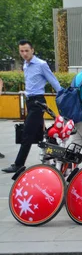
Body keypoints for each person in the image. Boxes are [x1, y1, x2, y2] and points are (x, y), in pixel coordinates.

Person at [3, 40, 62, 173]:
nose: (24, 53)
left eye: (26, 51)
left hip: (38, 103)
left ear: (32, 50)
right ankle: (59, 156)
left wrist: (63, 95)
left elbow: (52, 80)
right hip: (29, 101)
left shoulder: (41, 64)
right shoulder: (25, 64)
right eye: (21, 51)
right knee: (41, 133)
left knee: (27, 134)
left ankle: (19, 164)